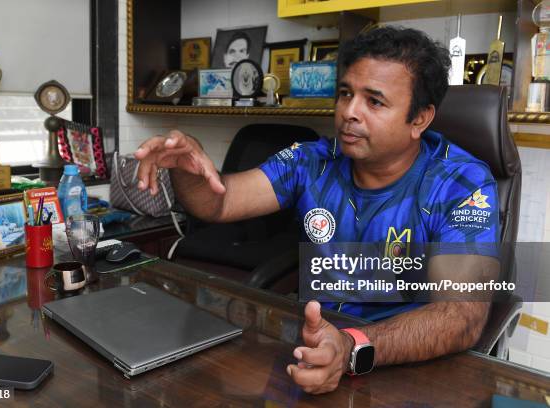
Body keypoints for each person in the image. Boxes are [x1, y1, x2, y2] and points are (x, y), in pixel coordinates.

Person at [134, 26, 500, 394]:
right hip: (314, 349)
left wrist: (351, 345)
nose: (349, 112)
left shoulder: (461, 185)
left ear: (419, 118)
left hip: (407, 368)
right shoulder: (312, 160)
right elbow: (218, 201)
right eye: (345, 93)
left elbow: (461, 317)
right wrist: (187, 166)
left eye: (374, 101)